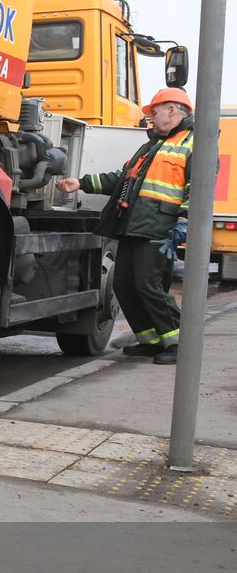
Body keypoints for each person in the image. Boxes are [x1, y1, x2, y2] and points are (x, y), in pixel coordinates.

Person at [56, 87, 195, 365]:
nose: (151, 117)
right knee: (123, 285)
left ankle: (178, 342)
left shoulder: (193, 144)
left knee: (148, 285)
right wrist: (81, 183)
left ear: (172, 110)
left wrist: (181, 225)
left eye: (154, 111)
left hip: (160, 230)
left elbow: (199, 190)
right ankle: (151, 341)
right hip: (134, 226)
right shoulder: (151, 146)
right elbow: (120, 180)